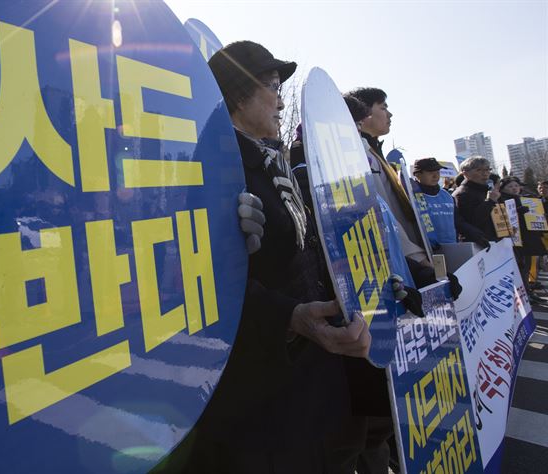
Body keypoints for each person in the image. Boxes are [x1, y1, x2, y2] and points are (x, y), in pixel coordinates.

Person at [153, 41, 371, 474]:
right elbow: (200, 280)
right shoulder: (214, 167)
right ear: (237, 96)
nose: (282, 99)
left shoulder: (275, 161)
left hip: (316, 373)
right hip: (261, 393)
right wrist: (290, 316)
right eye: (272, 86)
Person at [411, 157, 488, 248]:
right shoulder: (412, 196)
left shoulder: (446, 195)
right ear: (418, 175)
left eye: (438, 172)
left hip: (452, 248)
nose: (436, 176)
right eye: (430, 173)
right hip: (427, 251)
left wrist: (475, 234)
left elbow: (457, 221)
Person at [498, 176, 546, 303]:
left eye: (516, 186)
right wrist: (518, 212)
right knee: (521, 267)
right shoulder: (501, 199)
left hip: (528, 238)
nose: (514, 188)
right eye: (510, 186)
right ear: (503, 188)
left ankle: (528, 291)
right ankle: (523, 294)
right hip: (516, 240)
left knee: (527, 266)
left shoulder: (524, 198)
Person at [452, 156, 500, 242]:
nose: (485, 173)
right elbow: (472, 221)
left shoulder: (487, 190)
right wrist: (490, 202)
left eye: (487, 169)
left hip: (496, 242)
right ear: (465, 174)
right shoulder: (463, 193)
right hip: (480, 244)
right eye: (479, 170)